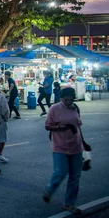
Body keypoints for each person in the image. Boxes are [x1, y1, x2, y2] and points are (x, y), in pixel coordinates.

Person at [42, 87, 84, 215]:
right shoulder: (54, 109)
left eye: (70, 100)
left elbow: (78, 127)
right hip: (59, 146)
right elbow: (47, 126)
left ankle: (69, 203)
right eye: (66, 100)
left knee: (75, 177)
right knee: (60, 172)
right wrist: (60, 127)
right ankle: (49, 190)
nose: (68, 102)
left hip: (76, 146)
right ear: (61, 98)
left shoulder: (75, 108)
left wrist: (84, 143)